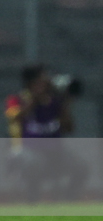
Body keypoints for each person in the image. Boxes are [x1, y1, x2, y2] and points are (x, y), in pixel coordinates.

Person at [5, 64, 88, 200]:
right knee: (34, 164)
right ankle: (32, 200)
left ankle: (69, 201)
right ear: (30, 83)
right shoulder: (16, 99)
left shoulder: (54, 101)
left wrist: (65, 103)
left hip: (54, 151)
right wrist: (34, 100)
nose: (46, 83)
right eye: (41, 80)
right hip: (25, 150)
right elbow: (16, 118)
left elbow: (69, 128)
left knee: (81, 167)